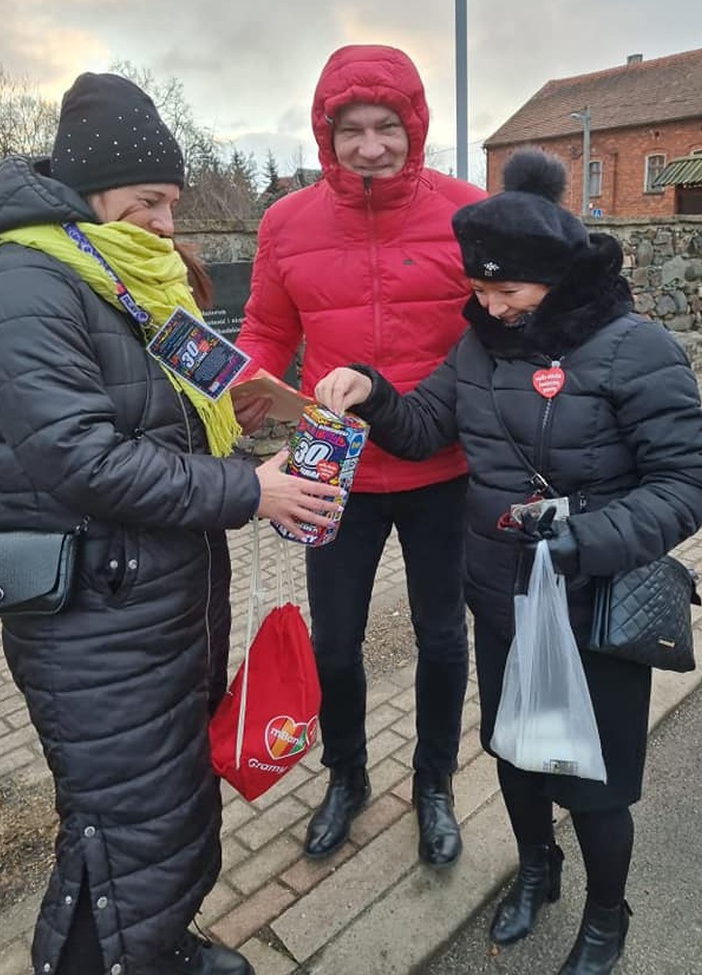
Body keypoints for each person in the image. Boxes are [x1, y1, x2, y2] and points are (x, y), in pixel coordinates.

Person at [314, 148, 702, 974]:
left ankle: (606, 916)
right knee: (516, 755)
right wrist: (372, 390)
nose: (491, 307)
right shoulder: (479, 350)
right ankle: (537, 868)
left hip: (594, 605)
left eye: (509, 291)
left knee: (596, 785)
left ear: (558, 278)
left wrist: (588, 541)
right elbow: (424, 427)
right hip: (504, 600)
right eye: (479, 289)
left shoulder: (635, 347)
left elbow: (691, 481)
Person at [0, 73, 340, 975]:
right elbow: (82, 459)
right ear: (91, 190)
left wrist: (218, 414)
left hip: (152, 599)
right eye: (150, 202)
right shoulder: (23, 285)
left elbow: (138, 417)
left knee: (171, 804)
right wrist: (250, 489)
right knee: (119, 827)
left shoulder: (109, 272)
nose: (168, 224)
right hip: (94, 617)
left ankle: (162, 946)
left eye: (172, 203)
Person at [233, 44, 487, 867]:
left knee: (442, 636)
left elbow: (503, 324)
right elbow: (268, 326)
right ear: (326, 133)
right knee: (335, 642)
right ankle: (345, 774)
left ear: (415, 126)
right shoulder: (285, 223)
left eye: (387, 126)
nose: (370, 146)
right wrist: (244, 382)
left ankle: (435, 782)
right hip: (332, 469)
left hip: (442, 465)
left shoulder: (468, 211)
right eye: (352, 129)